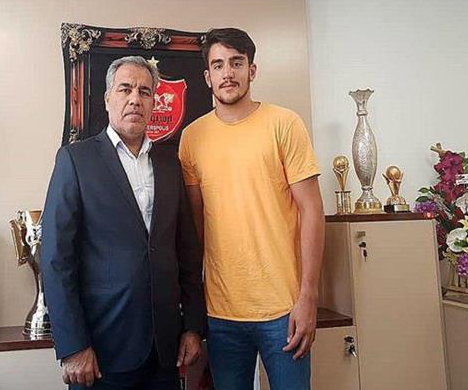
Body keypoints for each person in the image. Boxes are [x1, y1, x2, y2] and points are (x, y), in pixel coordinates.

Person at [42, 55, 206, 390]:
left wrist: (192, 326)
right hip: (100, 352)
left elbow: (187, 251)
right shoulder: (76, 160)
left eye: (145, 92)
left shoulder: (170, 164)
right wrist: (73, 345)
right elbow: (56, 258)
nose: (135, 99)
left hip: (165, 351)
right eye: (125, 89)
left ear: (153, 102)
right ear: (107, 99)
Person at [178, 28, 325, 390]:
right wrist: (192, 310)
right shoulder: (192, 138)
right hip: (221, 313)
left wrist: (308, 297)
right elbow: (195, 228)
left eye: (236, 63)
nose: (227, 73)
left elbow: (311, 211)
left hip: (284, 309)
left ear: (252, 70)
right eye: (218, 65)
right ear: (207, 77)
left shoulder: (284, 124)